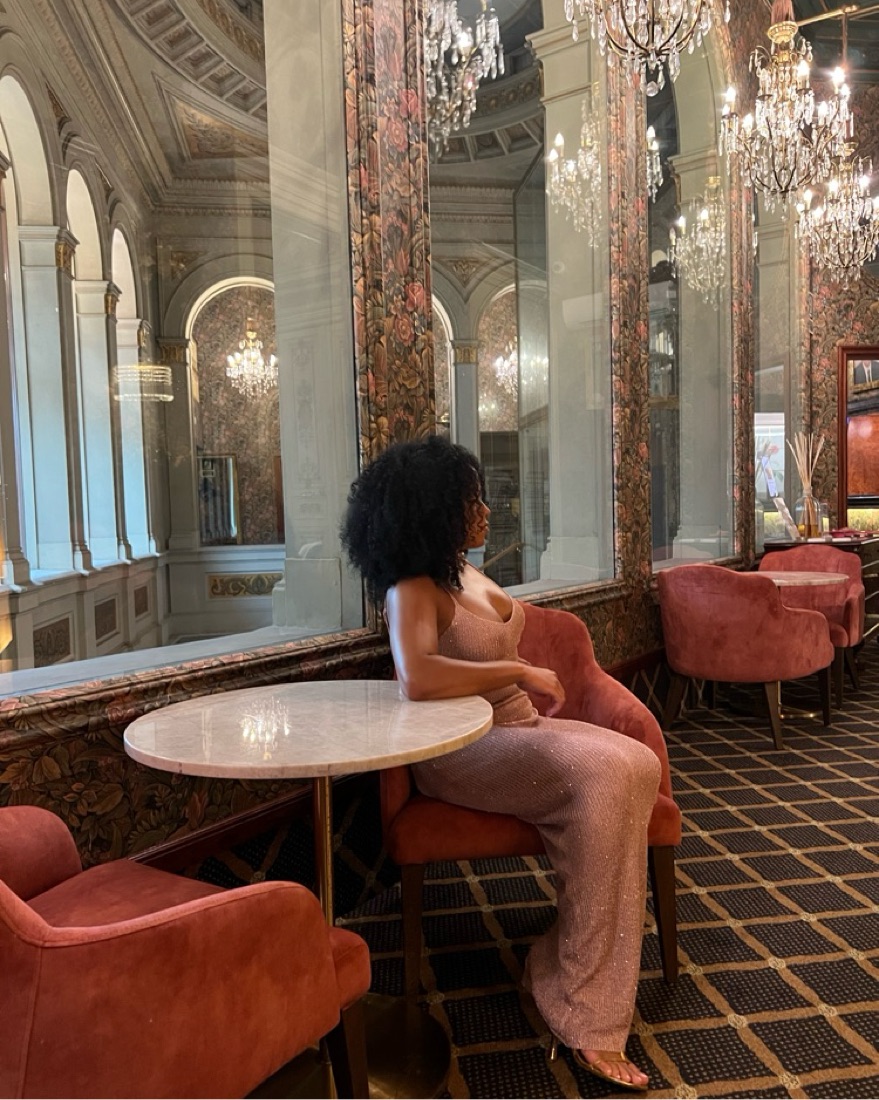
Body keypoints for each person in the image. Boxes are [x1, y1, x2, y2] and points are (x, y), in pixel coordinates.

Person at [341, 436, 660, 1092]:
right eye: (470, 502)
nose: (485, 512)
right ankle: (583, 1012)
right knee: (606, 775)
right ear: (433, 512)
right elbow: (417, 677)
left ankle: (562, 956)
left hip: (517, 730)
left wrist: (521, 682)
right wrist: (517, 669)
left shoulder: (463, 572)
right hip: (462, 749)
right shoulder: (412, 588)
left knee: (636, 762)